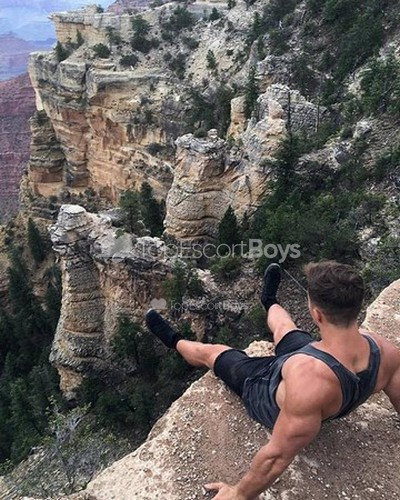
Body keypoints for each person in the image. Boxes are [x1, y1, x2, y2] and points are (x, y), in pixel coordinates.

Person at [145, 261, 400, 500]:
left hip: (265, 388)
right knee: (286, 329)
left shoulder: (309, 382)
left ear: (317, 314)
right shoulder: (384, 350)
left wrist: (239, 494)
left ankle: (174, 340)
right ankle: (269, 300)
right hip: (318, 357)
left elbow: (276, 456)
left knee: (214, 353)